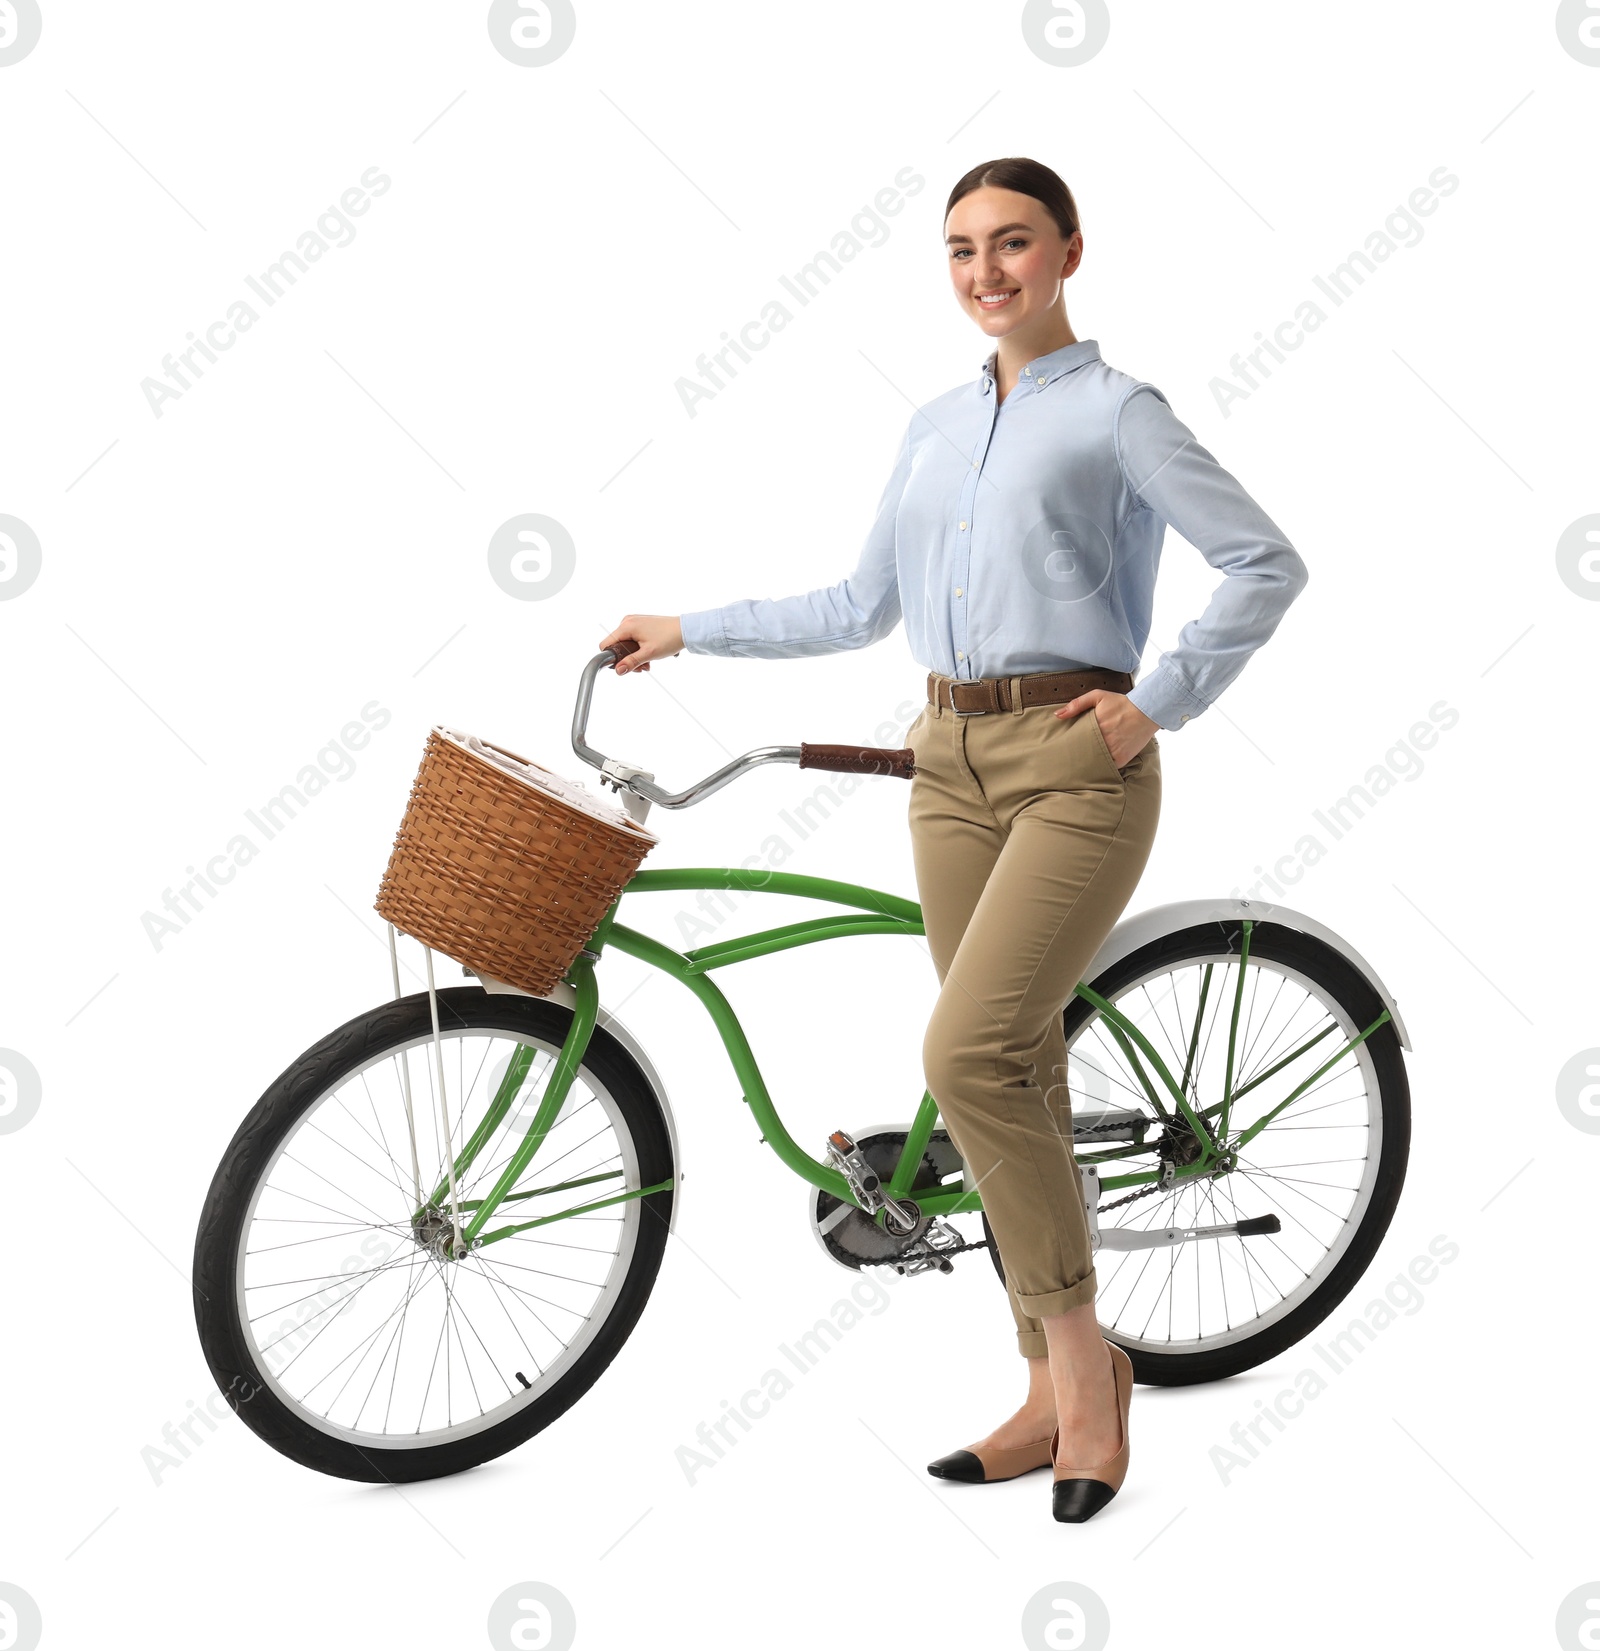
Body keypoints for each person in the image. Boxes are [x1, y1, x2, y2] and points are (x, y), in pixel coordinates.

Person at [598, 155, 1309, 1523]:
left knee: (964, 1052)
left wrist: (1154, 703)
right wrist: (690, 626)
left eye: (1015, 244)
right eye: (962, 250)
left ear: (1070, 252)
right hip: (944, 763)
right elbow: (864, 601)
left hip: (1075, 770)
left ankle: (1090, 1382)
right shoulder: (931, 424)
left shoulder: (1118, 414)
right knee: (1012, 1071)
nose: (988, 272)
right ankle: (1045, 1391)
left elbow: (1266, 562)